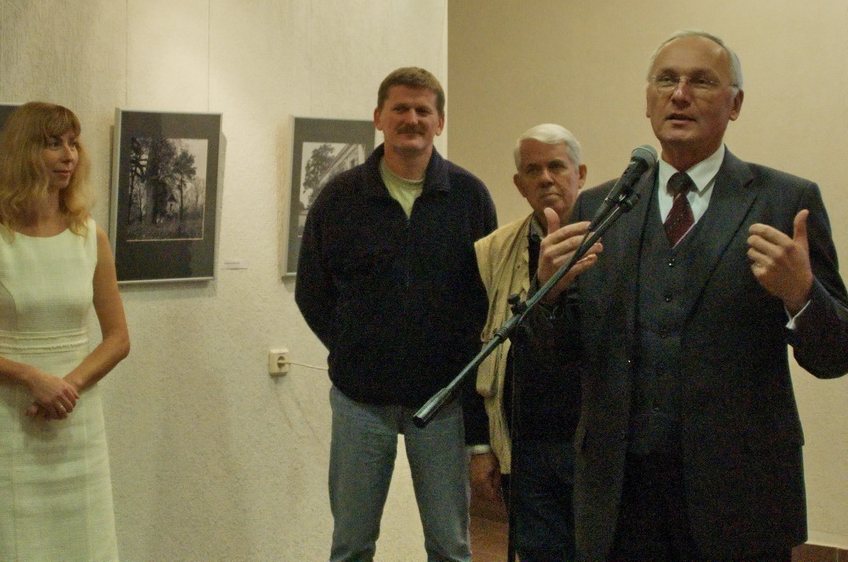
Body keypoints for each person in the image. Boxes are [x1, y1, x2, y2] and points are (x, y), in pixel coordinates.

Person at [535, 30, 848, 561]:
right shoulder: (600, 208)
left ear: (735, 104)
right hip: (620, 494)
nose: (679, 95)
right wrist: (549, 295)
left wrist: (802, 295)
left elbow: (836, 355)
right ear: (648, 100)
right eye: (666, 80)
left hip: (740, 493)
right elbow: (559, 360)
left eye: (701, 82)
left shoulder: (784, 201)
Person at [295, 67, 497, 562]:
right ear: (378, 118)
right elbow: (312, 292)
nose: (412, 119)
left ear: (439, 122)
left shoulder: (470, 197)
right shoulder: (340, 198)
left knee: (450, 546)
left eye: (423, 110)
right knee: (351, 544)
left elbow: (484, 299)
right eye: (400, 108)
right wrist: (355, 346)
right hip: (360, 400)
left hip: (444, 400)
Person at [0, 101, 130, 562]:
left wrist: (68, 387)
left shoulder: (90, 236)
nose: (69, 155)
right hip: (10, 432)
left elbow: (118, 339)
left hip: (78, 431)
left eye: (73, 143)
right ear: (23, 152)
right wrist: (32, 379)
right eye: (53, 144)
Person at [466, 124, 586, 562]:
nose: (546, 179)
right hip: (525, 446)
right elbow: (474, 351)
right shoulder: (492, 252)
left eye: (557, 166)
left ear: (580, 174)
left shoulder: (618, 238)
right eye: (533, 171)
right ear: (519, 185)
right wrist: (481, 447)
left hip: (594, 446)